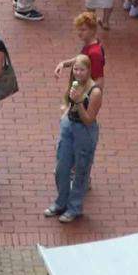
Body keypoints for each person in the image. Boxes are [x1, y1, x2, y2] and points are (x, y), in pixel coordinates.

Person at [48, 56, 103, 224]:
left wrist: (79, 101)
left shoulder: (95, 92)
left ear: (89, 70)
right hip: (69, 127)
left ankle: (74, 208)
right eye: (76, 69)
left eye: (82, 70)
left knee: (81, 170)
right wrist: (65, 115)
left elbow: (88, 119)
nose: (78, 73)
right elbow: (68, 103)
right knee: (61, 168)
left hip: (84, 132)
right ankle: (60, 202)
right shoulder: (74, 84)